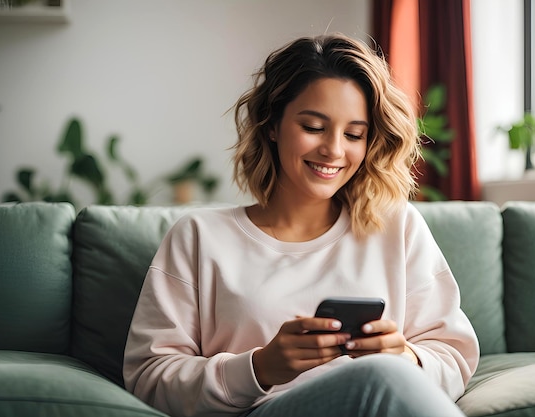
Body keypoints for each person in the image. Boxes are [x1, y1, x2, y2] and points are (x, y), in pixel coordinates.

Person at [123, 33, 479, 417]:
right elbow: (148, 377)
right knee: (379, 378)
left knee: (383, 376)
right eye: (313, 127)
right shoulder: (198, 237)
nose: (334, 150)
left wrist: (407, 358)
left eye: (354, 135)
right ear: (273, 124)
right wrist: (258, 368)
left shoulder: (397, 228)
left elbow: (453, 355)